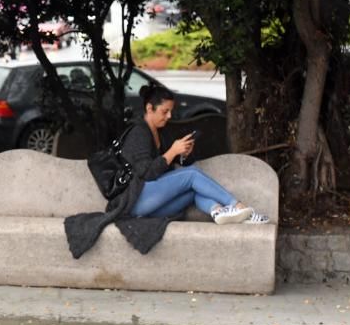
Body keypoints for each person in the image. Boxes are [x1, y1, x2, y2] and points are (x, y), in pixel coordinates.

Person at [65, 83, 269, 258]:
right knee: (192, 176)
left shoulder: (159, 133)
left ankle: (219, 212)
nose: (169, 116)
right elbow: (147, 173)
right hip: (132, 202)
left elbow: (173, 169)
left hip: (148, 202)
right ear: (149, 108)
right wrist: (171, 152)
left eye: (171, 111)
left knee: (191, 191)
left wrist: (184, 154)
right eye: (165, 111)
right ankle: (239, 206)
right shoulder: (139, 133)